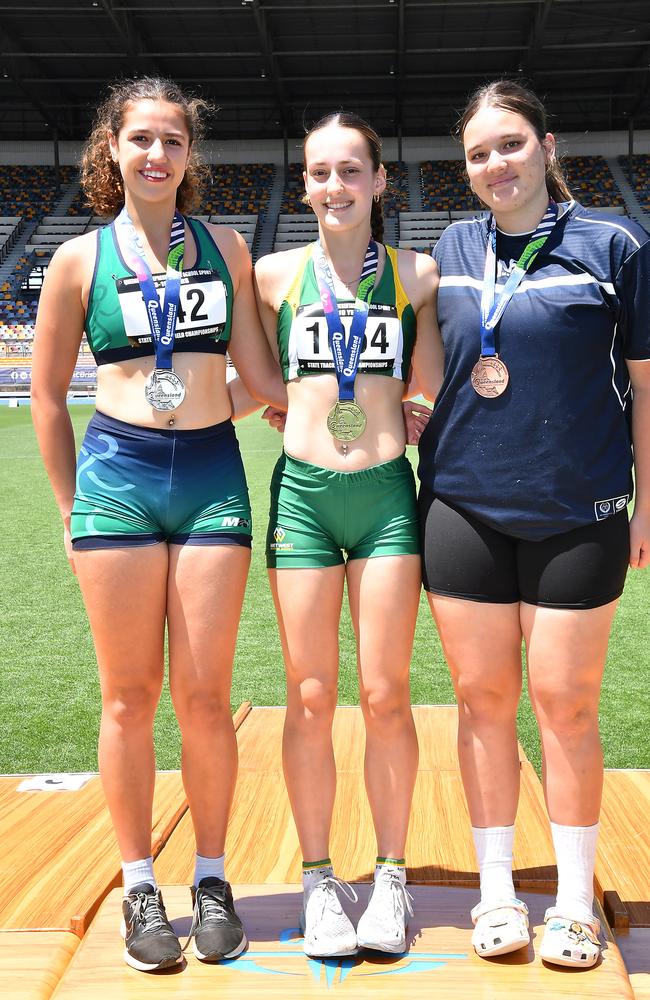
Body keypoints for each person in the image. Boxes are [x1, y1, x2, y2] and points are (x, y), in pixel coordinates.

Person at [31, 76, 286, 972]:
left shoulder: (226, 247)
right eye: (139, 139)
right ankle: (140, 880)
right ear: (111, 150)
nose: (155, 155)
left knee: (207, 697)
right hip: (118, 480)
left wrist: (366, 407)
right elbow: (48, 398)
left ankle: (211, 878)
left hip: (212, 474)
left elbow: (260, 373)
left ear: (190, 155)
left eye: (172, 141)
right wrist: (70, 509)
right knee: (129, 697)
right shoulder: (77, 261)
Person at [417, 78, 650, 968]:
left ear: (547, 148)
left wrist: (646, 504)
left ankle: (577, 899)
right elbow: (442, 370)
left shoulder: (614, 244)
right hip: (463, 506)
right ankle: (498, 892)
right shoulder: (451, 244)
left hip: (579, 509)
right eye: (478, 153)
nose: (494, 164)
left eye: (510, 144)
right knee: (483, 704)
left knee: (566, 703)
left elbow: (648, 389)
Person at [254, 112, 441, 959]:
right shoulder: (271, 274)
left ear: (378, 181)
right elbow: (249, 370)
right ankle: (321, 876)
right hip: (302, 498)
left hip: (385, 498)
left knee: (385, 693)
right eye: (319, 173)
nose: (335, 186)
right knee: (309, 695)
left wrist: (419, 403)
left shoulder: (417, 275)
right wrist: (271, 401)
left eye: (350, 171)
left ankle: (392, 876)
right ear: (305, 185)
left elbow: (429, 376)